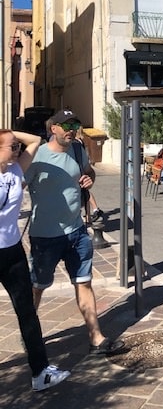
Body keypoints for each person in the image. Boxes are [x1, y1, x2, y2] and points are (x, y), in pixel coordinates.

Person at [24, 109, 125, 357]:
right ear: (53, 128)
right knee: (37, 287)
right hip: (45, 236)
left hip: (77, 231)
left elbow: (87, 172)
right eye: (66, 125)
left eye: (75, 124)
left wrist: (90, 179)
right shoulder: (37, 156)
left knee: (84, 283)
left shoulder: (78, 150)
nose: (72, 130)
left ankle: (96, 338)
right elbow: (17, 184)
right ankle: (29, 335)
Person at [0, 129, 70, 392]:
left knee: (27, 312)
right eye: (11, 147)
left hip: (13, 251)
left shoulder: (17, 170)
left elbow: (36, 140)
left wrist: (8, 133)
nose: (17, 150)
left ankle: (40, 372)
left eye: (18, 147)